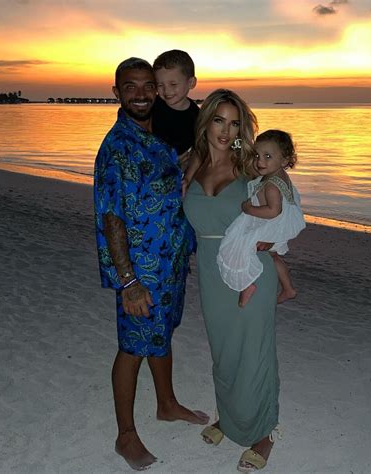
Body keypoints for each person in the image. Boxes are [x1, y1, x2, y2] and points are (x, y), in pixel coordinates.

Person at [93, 57, 208, 472]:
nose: (141, 94)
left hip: (170, 262)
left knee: (161, 334)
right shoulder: (118, 146)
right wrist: (128, 283)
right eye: (131, 87)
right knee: (132, 348)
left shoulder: (156, 135)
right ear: (117, 92)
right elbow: (111, 218)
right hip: (141, 271)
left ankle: (167, 404)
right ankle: (125, 436)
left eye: (148, 86)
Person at [183, 89, 281, 472]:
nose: (226, 130)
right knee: (224, 352)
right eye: (219, 120)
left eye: (235, 122)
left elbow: (285, 204)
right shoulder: (193, 163)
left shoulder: (250, 166)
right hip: (210, 270)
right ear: (206, 121)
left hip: (251, 270)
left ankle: (263, 432)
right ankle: (230, 417)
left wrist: (274, 237)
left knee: (254, 350)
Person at [217, 129, 306, 308]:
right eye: (257, 155)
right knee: (273, 257)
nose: (260, 161)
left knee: (233, 246)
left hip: (272, 222)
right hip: (280, 223)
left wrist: (249, 209)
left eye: (267, 156)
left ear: (285, 160)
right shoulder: (279, 174)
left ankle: (247, 284)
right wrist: (238, 143)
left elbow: (273, 211)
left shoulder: (272, 185)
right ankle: (288, 288)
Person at [152, 49, 199, 157]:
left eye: (173, 84)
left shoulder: (197, 116)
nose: (166, 91)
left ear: (191, 83)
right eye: (160, 85)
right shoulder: (152, 108)